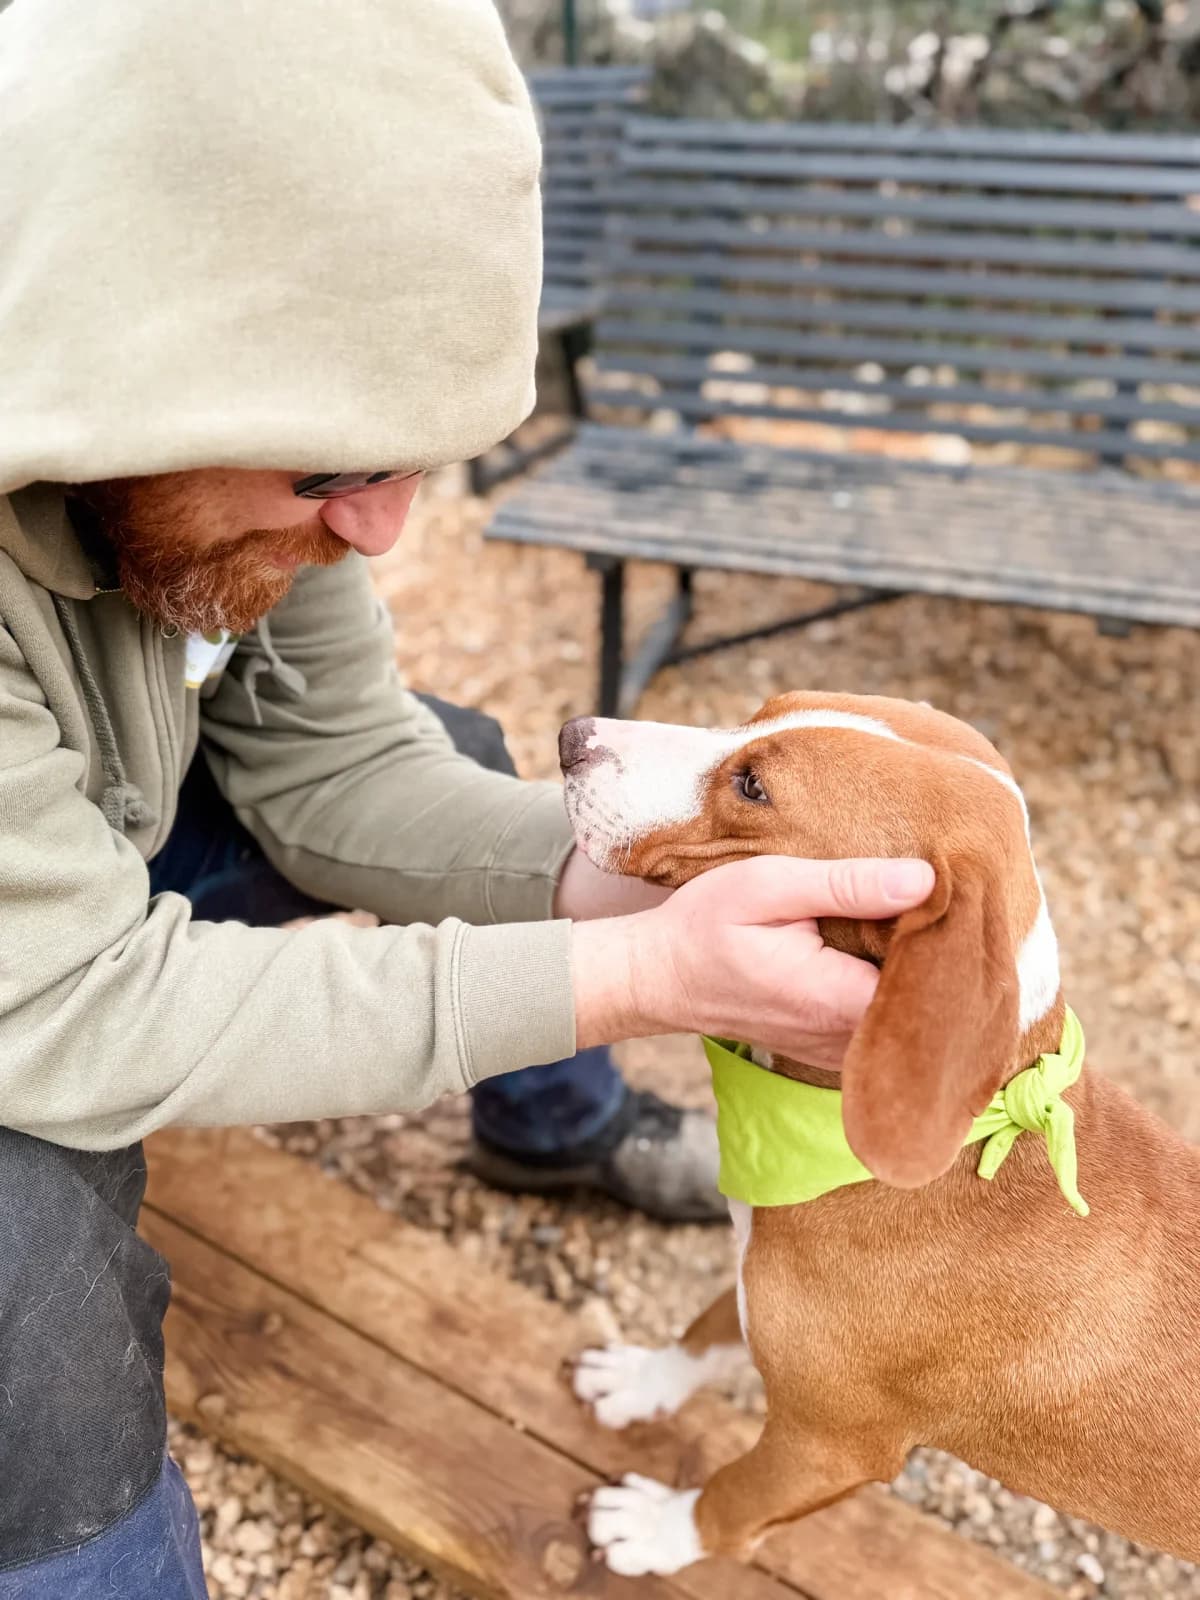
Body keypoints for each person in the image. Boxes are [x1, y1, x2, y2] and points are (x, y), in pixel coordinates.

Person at [0, 0, 935, 1593]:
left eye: (420, 457)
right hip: (32, 982)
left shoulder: (219, 458)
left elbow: (343, 766)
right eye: (327, 473)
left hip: (69, 864)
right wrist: (638, 977)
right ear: (101, 361)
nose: (380, 536)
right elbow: (66, 1010)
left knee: (455, 740)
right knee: (32, 1276)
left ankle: (549, 1130)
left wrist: (639, 883)